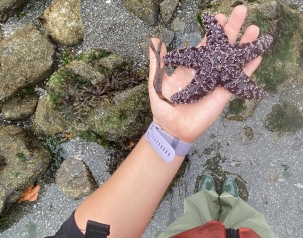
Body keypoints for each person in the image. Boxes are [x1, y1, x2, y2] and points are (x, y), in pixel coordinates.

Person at [48, 5, 273, 238]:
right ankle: (230, 203)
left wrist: (169, 132)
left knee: (194, 216)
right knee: (248, 223)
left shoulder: (213, 62)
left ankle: (204, 203)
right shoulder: (221, 65)